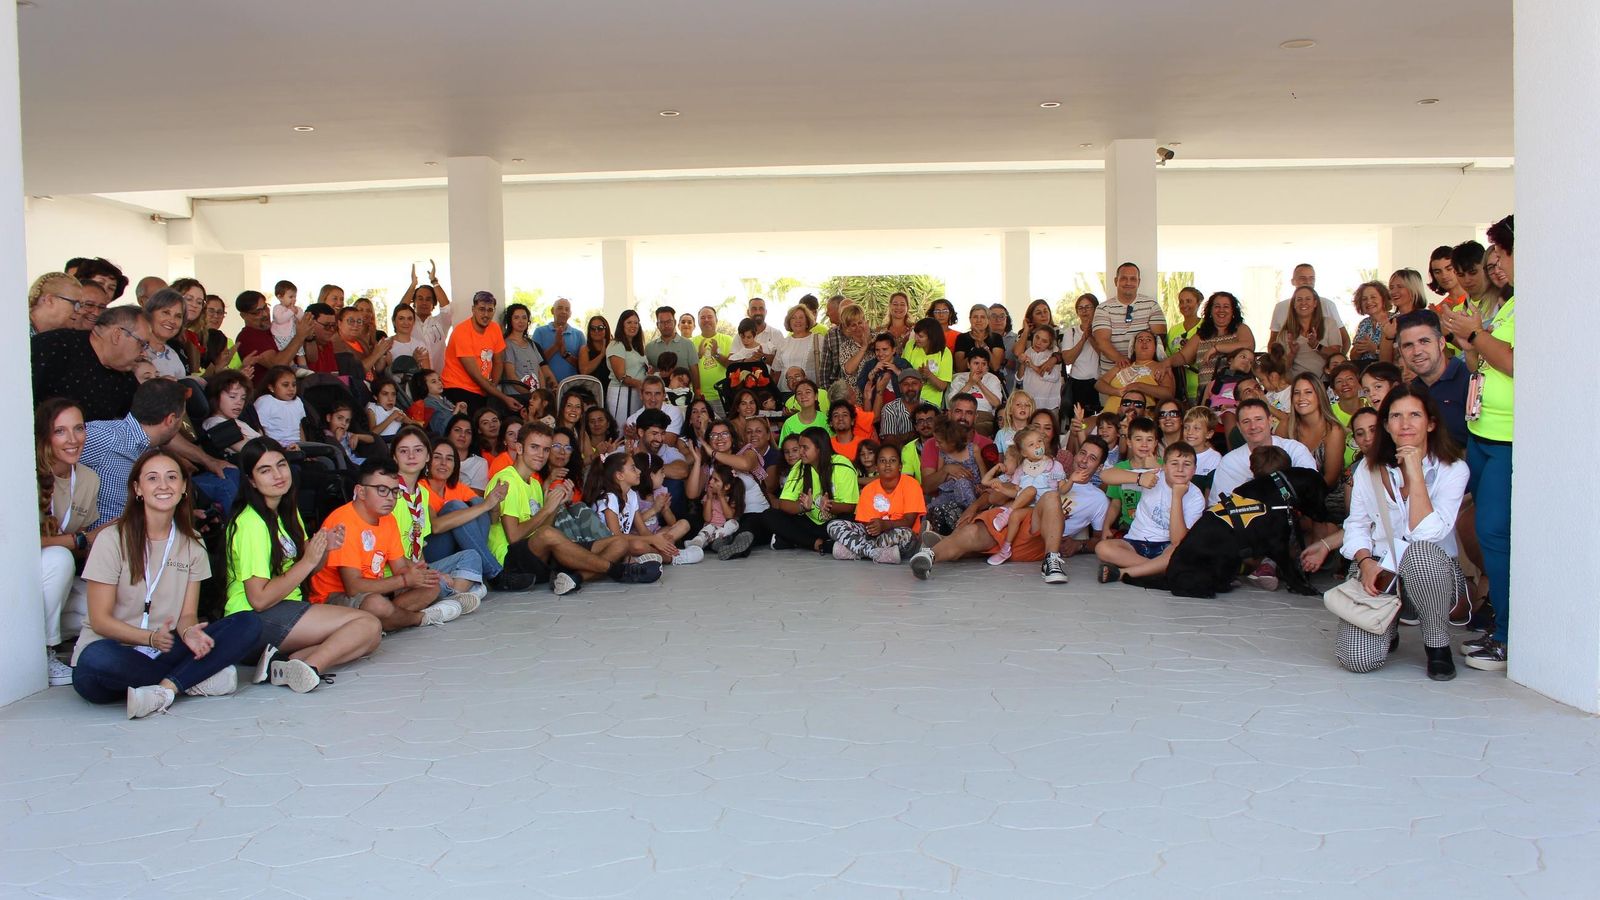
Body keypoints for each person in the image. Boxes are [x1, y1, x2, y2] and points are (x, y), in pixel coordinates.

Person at [72, 448, 262, 719]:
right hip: (116, 653)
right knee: (95, 659)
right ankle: (192, 678)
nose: (163, 485)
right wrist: (149, 638)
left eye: (172, 477)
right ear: (138, 488)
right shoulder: (112, 539)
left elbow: (186, 616)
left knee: (248, 623)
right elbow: (100, 621)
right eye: (152, 478)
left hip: (162, 650)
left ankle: (166, 688)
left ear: (184, 487)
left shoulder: (192, 542)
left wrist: (189, 634)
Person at [1304, 385, 1469, 681]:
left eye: (1415, 415)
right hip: (1379, 567)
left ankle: (1437, 644)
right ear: (1386, 424)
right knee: (1357, 659)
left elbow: (1428, 533)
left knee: (1420, 556)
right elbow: (1357, 524)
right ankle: (1387, 625)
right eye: (1396, 416)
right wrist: (1365, 562)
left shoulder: (1453, 469)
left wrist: (1415, 470)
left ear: (1430, 423)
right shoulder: (1369, 469)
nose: (1405, 424)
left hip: (1432, 568)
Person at [225, 438, 381, 693]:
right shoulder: (251, 524)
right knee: (367, 625)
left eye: (281, 465)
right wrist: (308, 560)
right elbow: (259, 599)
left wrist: (323, 550)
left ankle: (281, 663)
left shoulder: (285, 510)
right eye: (265, 470)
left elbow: (310, 570)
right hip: (251, 620)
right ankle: (308, 667)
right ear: (251, 480)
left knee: (369, 637)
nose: (278, 475)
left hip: (285, 609)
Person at [1438, 218, 1515, 672]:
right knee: (1482, 530)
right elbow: (1481, 359)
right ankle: (1500, 621)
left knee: (1493, 533)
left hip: (1507, 436)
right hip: (1484, 432)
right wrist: (1468, 338)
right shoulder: (1506, 305)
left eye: (1501, 255)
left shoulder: (1532, 303)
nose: (1495, 264)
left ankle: (1508, 634)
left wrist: (1474, 334)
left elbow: (1516, 362)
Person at [485, 423, 665, 593]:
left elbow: (542, 527)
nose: (541, 454)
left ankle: (576, 578)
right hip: (509, 561)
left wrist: (556, 505)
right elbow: (514, 537)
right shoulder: (507, 480)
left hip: (541, 555)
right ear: (519, 448)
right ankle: (619, 570)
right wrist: (547, 509)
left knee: (620, 542)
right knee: (548, 534)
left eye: (546, 449)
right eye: (534, 447)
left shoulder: (532, 483)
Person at [309, 458, 463, 630]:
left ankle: (387, 620)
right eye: (382, 490)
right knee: (376, 604)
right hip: (333, 599)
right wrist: (405, 580)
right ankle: (420, 618)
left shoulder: (388, 519)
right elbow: (353, 588)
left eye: (395, 491)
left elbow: (399, 568)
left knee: (431, 586)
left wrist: (417, 574)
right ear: (360, 491)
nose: (390, 498)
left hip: (376, 592)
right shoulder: (343, 521)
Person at [37, 399, 103, 686]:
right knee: (57, 558)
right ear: (45, 437)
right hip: (24, 576)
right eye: (60, 431)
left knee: (102, 607)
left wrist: (106, 538)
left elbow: (84, 544)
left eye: (78, 428)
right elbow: (25, 543)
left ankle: (31, 637)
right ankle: (46, 652)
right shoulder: (26, 474)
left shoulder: (88, 478)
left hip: (55, 583)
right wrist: (77, 540)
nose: (73, 439)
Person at [80, 378, 190, 528]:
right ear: (170, 420)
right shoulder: (105, 436)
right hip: (105, 544)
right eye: (181, 418)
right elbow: (47, 458)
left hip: (142, 536)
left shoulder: (153, 450)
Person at [1095, 442, 1203, 584]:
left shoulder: (1196, 496)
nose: (1180, 469)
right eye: (1174, 463)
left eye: (1187, 464)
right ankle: (1159, 570)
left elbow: (1177, 540)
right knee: (1103, 548)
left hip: (1166, 546)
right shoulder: (1154, 476)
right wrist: (1139, 478)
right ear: (1164, 466)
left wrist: (1177, 496)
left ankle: (1123, 573)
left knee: (1179, 552)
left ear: (1194, 469)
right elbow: (1105, 475)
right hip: (1135, 542)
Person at [31, 305, 151, 422]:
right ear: (117, 335)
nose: (144, 353)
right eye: (142, 344)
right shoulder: (55, 347)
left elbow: (148, 418)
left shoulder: (125, 377)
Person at [764, 427, 859, 553]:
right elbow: (784, 504)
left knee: (849, 521)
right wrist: (802, 507)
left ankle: (796, 540)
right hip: (810, 523)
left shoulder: (842, 465)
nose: (801, 452)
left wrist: (829, 506)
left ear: (819, 448)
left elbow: (850, 507)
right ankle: (817, 544)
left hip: (834, 523)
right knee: (770, 515)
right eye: (800, 447)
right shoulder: (800, 466)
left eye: (805, 448)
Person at [829, 442, 925, 564]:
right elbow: (866, 526)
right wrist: (874, 528)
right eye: (882, 461)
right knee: (833, 525)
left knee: (905, 535)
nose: (888, 465)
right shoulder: (869, 489)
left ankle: (856, 550)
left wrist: (884, 525)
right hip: (874, 537)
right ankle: (875, 553)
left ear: (900, 466)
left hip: (899, 533)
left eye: (893, 460)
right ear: (876, 467)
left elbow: (909, 522)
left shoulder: (911, 484)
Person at [1036, 436, 1114, 583]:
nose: (1084, 460)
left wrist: (1079, 545)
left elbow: (1100, 539)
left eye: (1092, 458)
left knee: (977, 538)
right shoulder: (1055, 476)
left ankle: (1050, 560)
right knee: (1052, 497)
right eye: (1082, 453)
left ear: (1099, 467)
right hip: (1026, 524)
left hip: (1039, 547)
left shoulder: (1099, 500)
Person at [1207, 398, 1317, 503]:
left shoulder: (1294, 449)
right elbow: (1218, 504)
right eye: (1246, 422)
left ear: (1270, 421)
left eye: (1258, 419)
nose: (1253, 426)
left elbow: (1312, 487)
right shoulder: (1229, 462)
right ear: (1239, 427)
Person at [441, 291, 522, 415]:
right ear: (473, 310)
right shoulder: (461, 332)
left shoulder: (495, 328)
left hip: (483, 389)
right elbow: (476, 376)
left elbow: (498, 362)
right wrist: (503, 397)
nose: (486, 314)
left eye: (490, 310)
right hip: (458, 388)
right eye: (481, 309)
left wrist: (493, 387)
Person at [1398, 310, 1469, 446]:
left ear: (1441, 343)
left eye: (1424, 341)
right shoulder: (1410, 392)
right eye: (1408, 345)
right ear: (1401, 352)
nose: (1417, 351)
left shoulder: (1469, 379)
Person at [1091, 262, 1168, 377]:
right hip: (1111, 377)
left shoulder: (1152, 305)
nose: (1128, 283)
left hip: (1145, 376)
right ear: (1115, 281)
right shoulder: (1103, 308)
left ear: (1139, 282)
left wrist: (1137, 365)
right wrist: (1121, 360)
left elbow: (1159, 341)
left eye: (1133, 279)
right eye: (1124, 278)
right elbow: (1102, 341)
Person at [233, 290, 309, 388]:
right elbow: (277, 365)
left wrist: (309, 336)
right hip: (267, 397)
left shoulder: (275, 328)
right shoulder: (248, 336)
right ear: (243, 316)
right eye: (257, 312)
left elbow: (312, 358)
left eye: (265, 308)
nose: (265, 314)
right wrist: (299, 337)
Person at [1268, 263, 1349, 353]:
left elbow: (1345, 340)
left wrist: (1338, 363)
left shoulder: (1328, 305)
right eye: (1303, 278)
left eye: (1312, 278)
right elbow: (1273, 343)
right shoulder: (1280, 307)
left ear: (1315, 304)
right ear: (1293, 281)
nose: (1308, 282)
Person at [1096, 329, 1174, 413]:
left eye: (1149, 340)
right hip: (1107, 418)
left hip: (1137, 421)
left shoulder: (1160, 367)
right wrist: (1116, 392)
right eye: (1140, 340)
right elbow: (1099, 384)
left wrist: (1139, 386)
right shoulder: (1124, 365)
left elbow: (1169, 394)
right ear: (1133, 348)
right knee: (1083, 425)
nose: (1144, 342)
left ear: (1155, 348)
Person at [1272, 285, 1341, 378]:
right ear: (1294, 304)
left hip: (1325, 382)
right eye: (1299, 299)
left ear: (1315, 303)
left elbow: (1337, 356)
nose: (1303, 303)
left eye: (1308, 299)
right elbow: (1281, 369)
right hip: (1297, 384)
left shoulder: (1329, 323)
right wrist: (1292, 354)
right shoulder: (1285, 333)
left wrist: (1317, 346)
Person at [401, 262, 454, 376]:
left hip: (440, 379)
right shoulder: (408, 322)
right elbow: (400, 310)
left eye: (428, 299)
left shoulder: (441, 322)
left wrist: (434, 281)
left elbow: (447, 308)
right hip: (415, 379)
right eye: (420, 298)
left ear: (434, 303)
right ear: (413, 302)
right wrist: (413, 285)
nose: (424, 302)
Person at [1057, 294, 1102, 415]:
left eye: (1088, 307)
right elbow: (1068, 360)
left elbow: (1103, 355)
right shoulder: (1070, 332)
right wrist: (1083, 338)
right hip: (1076, 384)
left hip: (1098, 383)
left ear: (1096, 309)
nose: (1084, 311)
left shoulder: (1103, 331)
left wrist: (1091, 335)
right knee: (1077, 423)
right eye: (1081, 308)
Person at [605, 309, 649, 423]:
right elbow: (621, 376)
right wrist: (642, 385)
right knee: (621, 429)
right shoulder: (616, 345)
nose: (633, 326)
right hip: (622, 393)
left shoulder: (636, 347)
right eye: (629, 322)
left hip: (637, 393)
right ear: (622, 325)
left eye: (636, 322)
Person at [945, 352, 1003, 435]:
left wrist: (979, 383)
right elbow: (952, 403)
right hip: (961, 415)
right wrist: (970, 383)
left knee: (974, 430)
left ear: (987, 366)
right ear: (968, 365)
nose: (980, 367)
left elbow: (997, 404)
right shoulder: (959, 379)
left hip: (984, 417)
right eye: (976, 363)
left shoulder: (993, 379)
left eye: (984, 364)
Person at [500, 303, 554, 393]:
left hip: (535, 399)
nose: (521, 321)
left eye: (524, 318)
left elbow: (539, 371)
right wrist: (530, 395)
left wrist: (542, 393)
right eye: (516, 318)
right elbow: (511, 375)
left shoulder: (531, 343)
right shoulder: (507, 344)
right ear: (510, 321)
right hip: (517, 398)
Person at [645, 306, 700, 389]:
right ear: (657, 324)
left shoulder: (688, 344)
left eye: (669, 321)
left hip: (683, 397)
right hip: (658, 398)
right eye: (662, 322)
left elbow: (695, 372)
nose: (666, 325)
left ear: (674, 322)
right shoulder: (649, 348)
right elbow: (648, 373)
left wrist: (697, 393)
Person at [532, 297, 584, 384]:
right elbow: (535, 362)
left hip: (572, 388)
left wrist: (565, 354)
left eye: (567, 309)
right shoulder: (539, 332)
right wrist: (556, 346)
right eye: (560, 308)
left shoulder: (579, 335)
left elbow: (582, 367)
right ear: (552, 311)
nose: (564, 311)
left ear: (570, 314)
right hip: (547, 387)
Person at [902, 318, 952, 407]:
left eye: (920, 336)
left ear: (932, 338)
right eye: (916, 334)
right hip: (908, 399)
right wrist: (917, 374)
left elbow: (942, 387)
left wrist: (929, 375)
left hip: (931, 402)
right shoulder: (911, 345)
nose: (916, 338)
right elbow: (902, 374)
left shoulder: (945, 352)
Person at [772, 305, 821, 386]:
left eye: (801, 317)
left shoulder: (818, 339)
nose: (797, 321)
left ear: (807, 321)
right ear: (789, 322)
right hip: (785, 392)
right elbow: (777, 370)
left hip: (809, 392)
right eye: (793, 318)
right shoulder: (783, 342)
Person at [952, 305, 1004, 376]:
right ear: (970, 319)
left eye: (982, 317)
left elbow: (995, 367)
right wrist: (974, 350)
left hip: (990, 381)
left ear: (988, 320)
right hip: (966, 381)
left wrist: (984, 346)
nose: (979, 320)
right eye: (975, 317)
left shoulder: (996, 338)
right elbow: (960, 369)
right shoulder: (962, 338)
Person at [28, 272, 84, 336]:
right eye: (75, 303)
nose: (80, 311)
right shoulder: (17, 330)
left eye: (80, 305)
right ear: (49, 300)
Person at [270, 280, 300, 350]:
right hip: (281, 336)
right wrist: (291, 311)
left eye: (295, 297)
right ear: (280, 297)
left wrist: (297, 312)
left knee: (300, 354)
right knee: (288, 354)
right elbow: (280, 319)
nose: (294, 299)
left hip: (293, 335)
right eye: (291, 297)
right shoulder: (277, 308)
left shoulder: (293, 308)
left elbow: (300, 318)